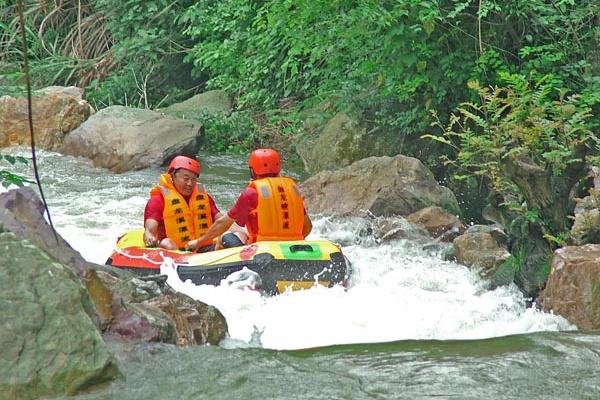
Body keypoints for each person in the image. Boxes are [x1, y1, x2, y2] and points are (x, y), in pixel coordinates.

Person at [185, 148, 312, 251]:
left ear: (252, 171)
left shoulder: (252, 192)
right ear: (278, 168)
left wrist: (198, 242)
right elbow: (308, 227)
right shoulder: (293, 190)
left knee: (224, 237)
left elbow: (222, 224)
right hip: (294, 248)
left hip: (263, 250)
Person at [143, 155, 223, 252]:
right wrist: (149, 237)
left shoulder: (204, 197)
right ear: (172, 176)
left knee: (227, 237)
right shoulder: (158, 200)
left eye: (193, 179)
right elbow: (149, 231)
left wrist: (240, 232)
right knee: (166, 243)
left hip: (202, 247)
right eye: (186, 179)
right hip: (175, 251)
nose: (190, 183)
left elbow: (222, 221)